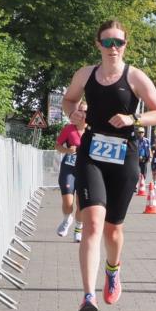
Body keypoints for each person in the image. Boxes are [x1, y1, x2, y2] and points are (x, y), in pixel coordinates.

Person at [62, 20, 156, 311]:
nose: (113, 48)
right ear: (98, 44)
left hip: (124, 156)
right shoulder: (85, 74)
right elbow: (69, 100)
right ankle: (88, 296)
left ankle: (113, 268)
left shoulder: (135, 76)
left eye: (118, 42)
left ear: (125, 45)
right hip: (92, 153)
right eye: (107, 42)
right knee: (93, 224)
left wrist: (134, 119)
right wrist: (74, 114)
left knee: (113, 229)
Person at [56, 102, 87, 242]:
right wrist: (68, 150)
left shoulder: (92, 129)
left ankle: (78, 229)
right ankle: (67, 219)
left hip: (85, 170)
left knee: (81, 204)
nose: (83, 113)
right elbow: (57, 145)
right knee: (68, 202)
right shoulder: (69, 129)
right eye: (80, 110)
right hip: (69, 168)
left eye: (86, 111)